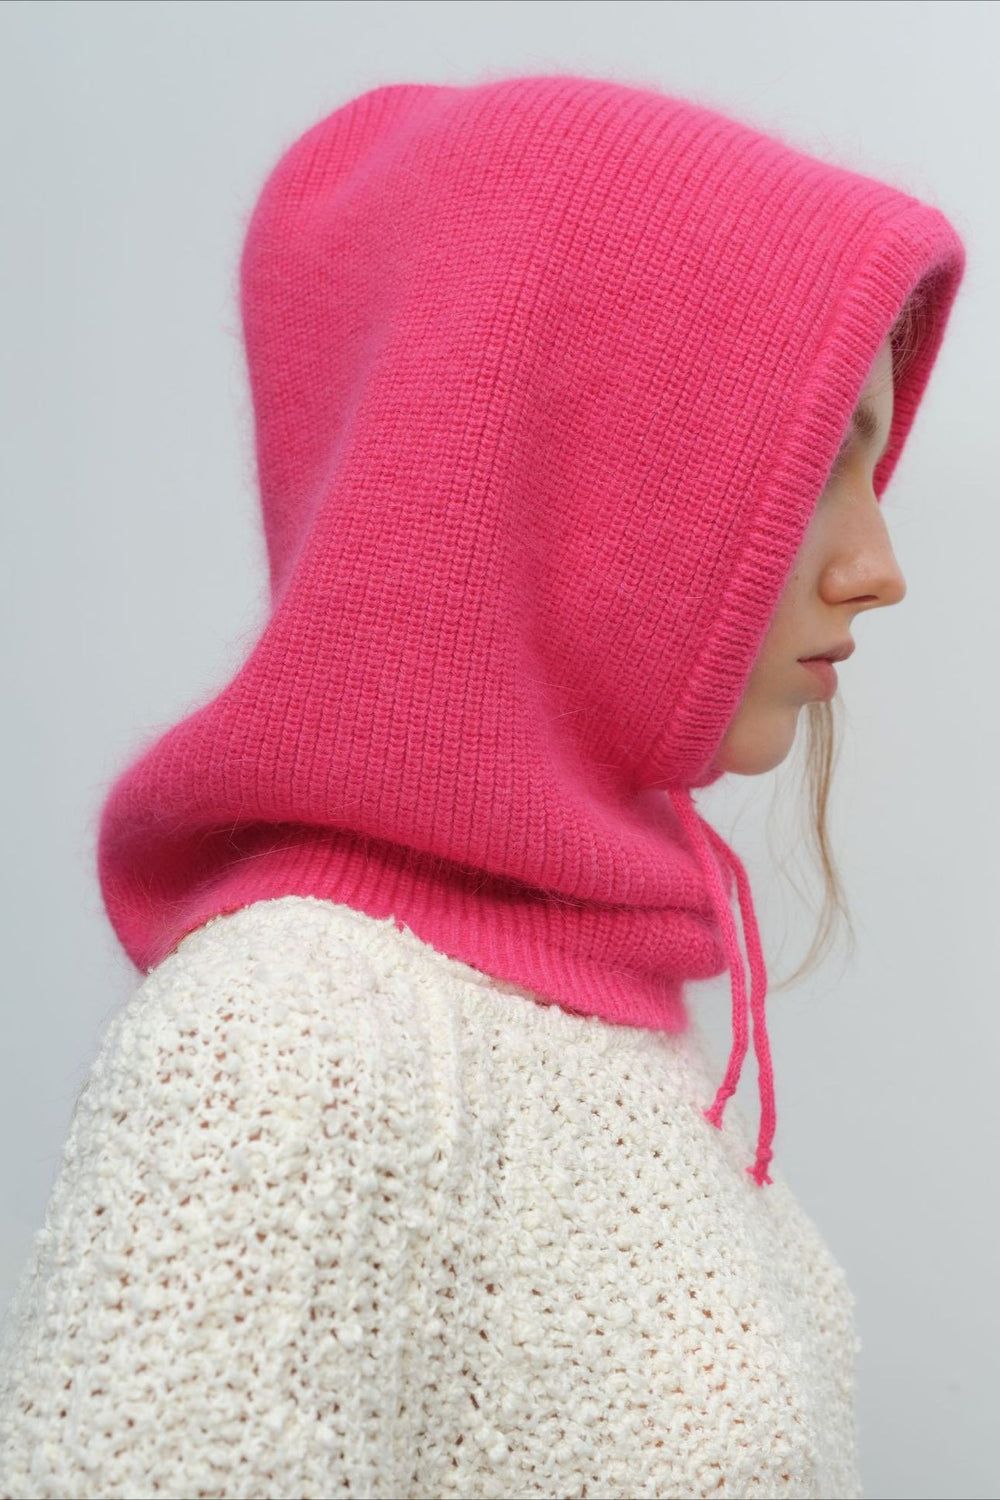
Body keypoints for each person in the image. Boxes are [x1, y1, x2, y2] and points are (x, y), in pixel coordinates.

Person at [0, 72, 966, 1500]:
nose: (878, 569)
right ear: (583, 469)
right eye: (822, 459)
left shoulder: (598, 1004)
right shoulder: (291, 1039)